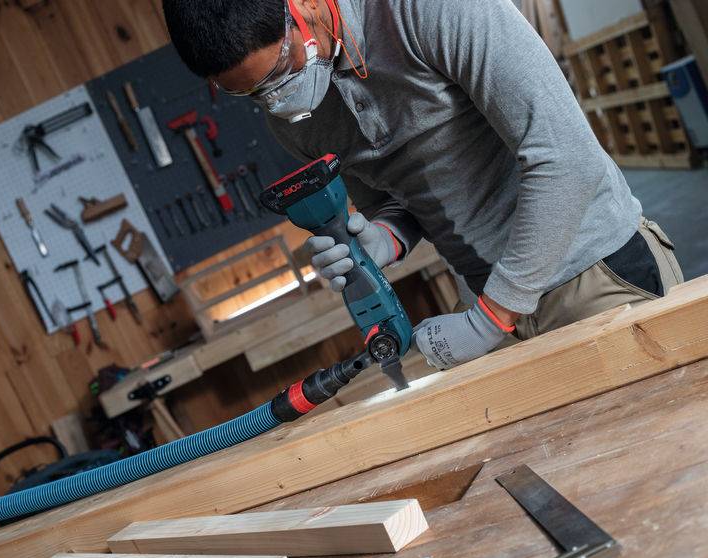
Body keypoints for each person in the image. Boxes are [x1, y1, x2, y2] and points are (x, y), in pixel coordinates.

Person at [162, 0, 683, 370]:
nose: (277, 99)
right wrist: (384, 239)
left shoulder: (431, 10)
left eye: (280, 69)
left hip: (592, 276)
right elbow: (394, 199)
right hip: (488, 304)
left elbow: (567, 159)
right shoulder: (292, 117)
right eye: (249, 93)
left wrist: (490, 318)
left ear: (304, 7)